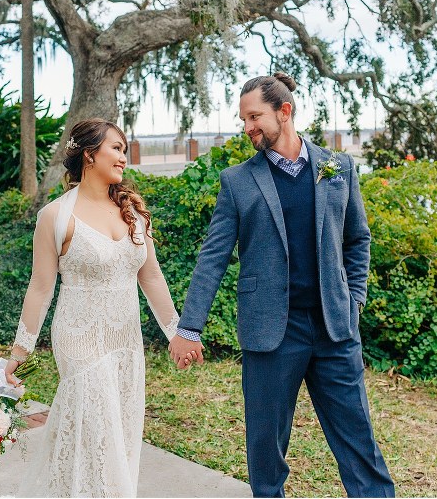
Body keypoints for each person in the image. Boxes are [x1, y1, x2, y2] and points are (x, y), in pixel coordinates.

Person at [169, 72, 396, 497]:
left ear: (284, 112)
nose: (248, 127)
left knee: (358, 439)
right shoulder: (237, 181)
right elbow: (213, 257)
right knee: (266, 447)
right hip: (271, 332)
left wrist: (355, 301)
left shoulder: (338, 167)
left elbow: (357, 239)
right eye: (244, 119)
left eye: (255, 116)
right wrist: (189, 327)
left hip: (334, 329)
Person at [4, 118, 198, 497]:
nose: (123, 158)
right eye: (116, 148)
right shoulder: (56, 216)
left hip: (125, 340)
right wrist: (19, 351)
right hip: (78, 339)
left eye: (124, 150)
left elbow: (153, 278)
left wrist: (177, 332)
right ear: (90, 155)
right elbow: (41, 288)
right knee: (95, 427)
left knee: (117, 435)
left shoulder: (134, 214)